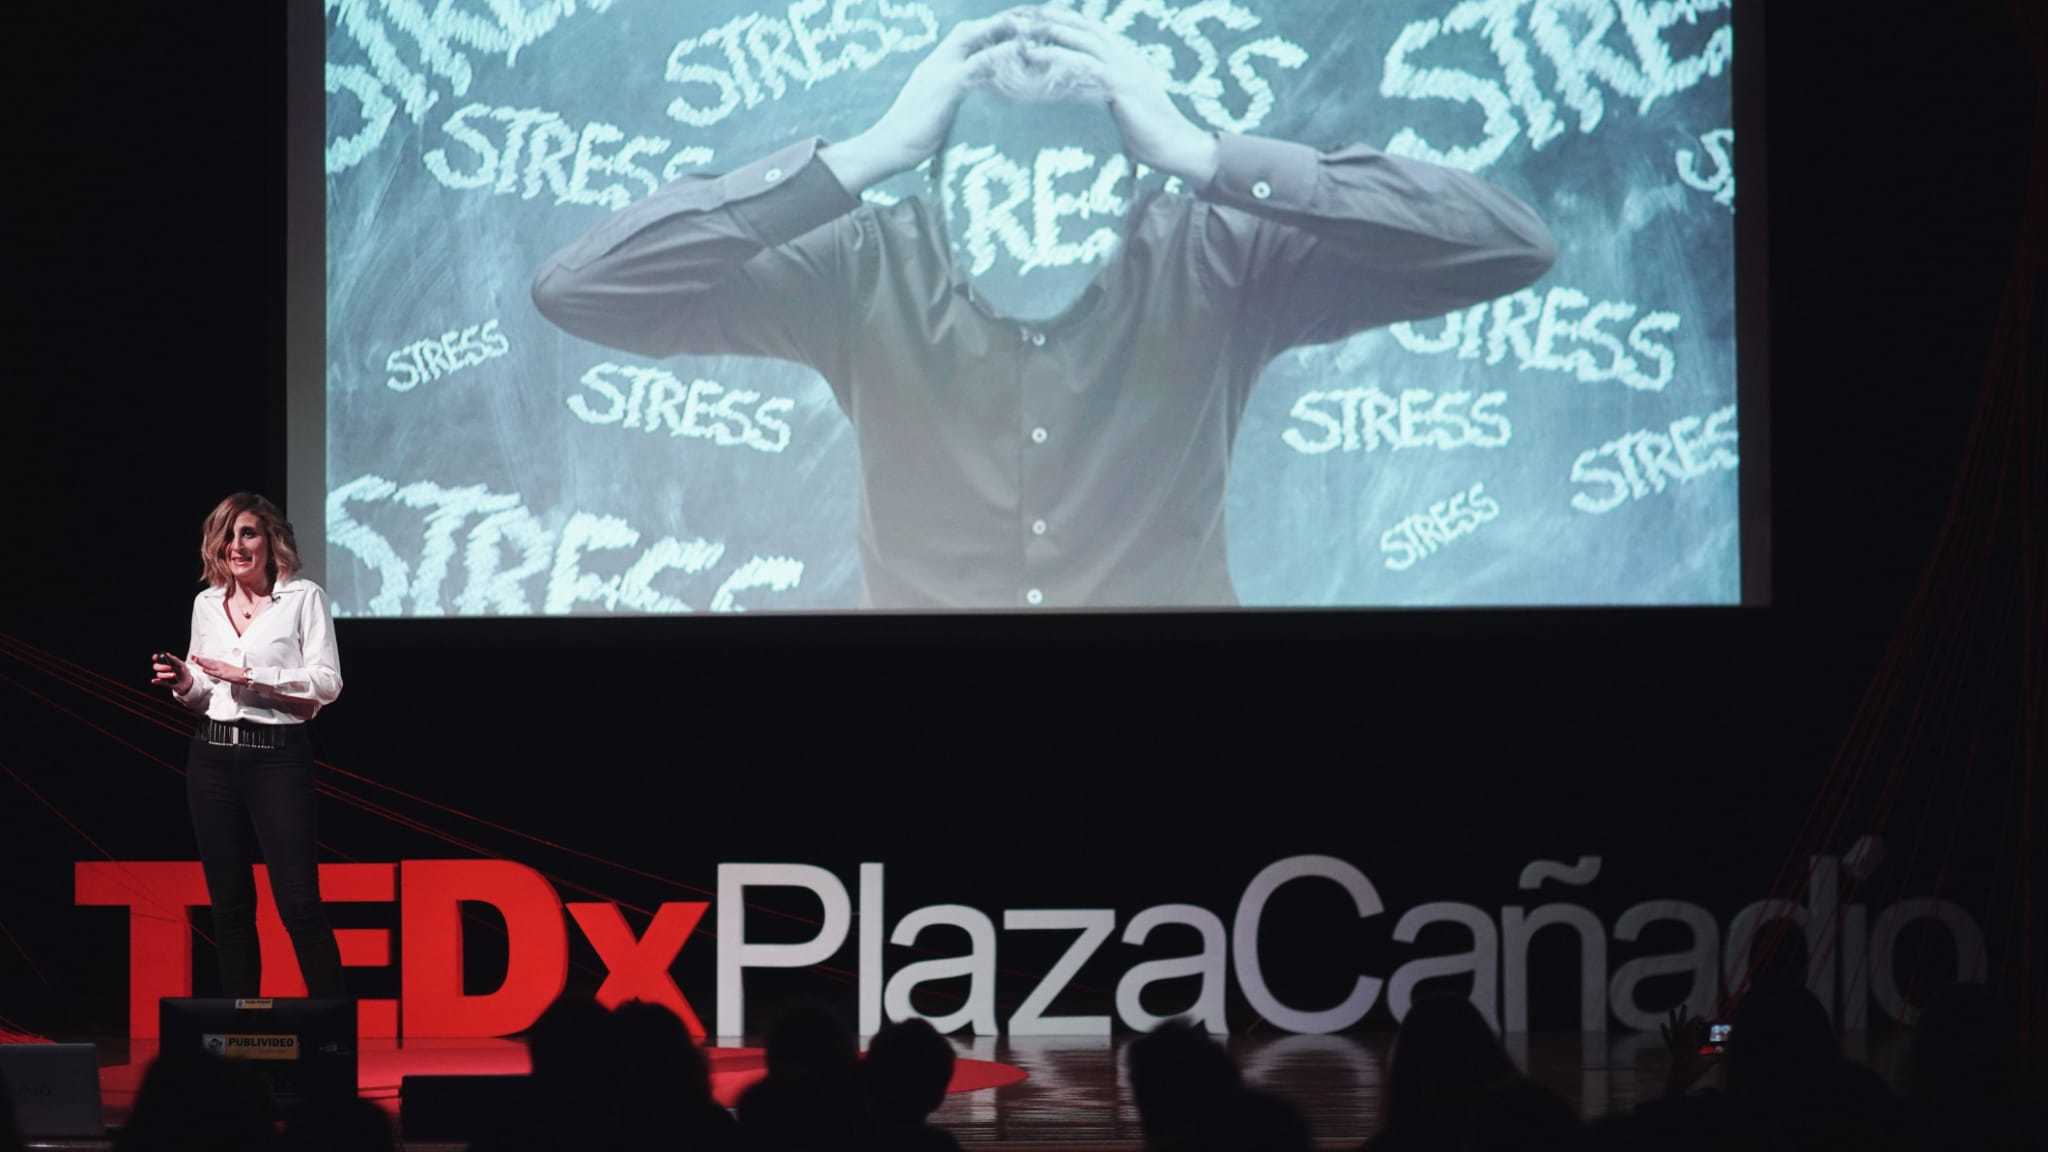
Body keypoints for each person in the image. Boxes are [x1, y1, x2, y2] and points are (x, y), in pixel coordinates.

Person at [532, 4, 1556, 609]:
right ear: (938, 160)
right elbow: (584, 291)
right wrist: (861, 157)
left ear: (1130, 161)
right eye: (995, 158)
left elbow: (1505, 245)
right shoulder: (861, 264)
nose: (1036, 203)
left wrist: (1207, 155)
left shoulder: (1217, 256)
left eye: (1071, 158)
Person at [150, 493, 346, 997]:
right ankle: (242, 1031)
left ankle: (333, 1028)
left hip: (278, 758)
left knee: (298, 903)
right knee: (230, 906)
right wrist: (184, 683)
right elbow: (205, 695)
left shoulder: (303, 598)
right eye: (227, 536)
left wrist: (250, 674)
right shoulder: (206, 604)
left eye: (248, 534)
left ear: (270, 540)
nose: (236, 546)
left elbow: (327, 683)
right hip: (212, 759)